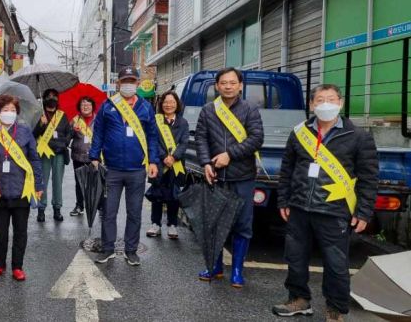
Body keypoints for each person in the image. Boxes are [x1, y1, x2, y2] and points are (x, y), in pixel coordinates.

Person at [272, 84, 378, 322]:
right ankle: (299, 300)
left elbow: (369, 177)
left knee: (336, 264)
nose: (325, 104)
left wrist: (363, 211)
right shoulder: (300, 132)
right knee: (295, 258)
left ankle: (335, 310)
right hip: (299, 207)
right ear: (312, 104)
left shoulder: (358, 136)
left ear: (340, 103)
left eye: (331, 99)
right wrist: (283, 200)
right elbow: (287, 169)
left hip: (335, 210)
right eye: (320, 100)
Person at [194, 67, 264, 287]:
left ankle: (237, 270)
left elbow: (256, 139)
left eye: (232, 82)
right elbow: (201, 139)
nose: (228, 86)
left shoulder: (250, 109)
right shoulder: (208, 110)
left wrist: (229, 155)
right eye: (224, 82)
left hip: (242, 177)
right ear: (217, 85)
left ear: (240, 85)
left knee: (242, 225)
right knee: (214, 223)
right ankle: (214, 267)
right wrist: (206, 162)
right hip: (215, 177)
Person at [89, 66, 159, 266]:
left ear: (137, 83)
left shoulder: (145, 107)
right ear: (118, 84)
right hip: (112, 169)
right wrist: (94, 155)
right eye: (124, 81)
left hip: (137, 169)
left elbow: (153, 137)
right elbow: (99, 133)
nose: (128, 84)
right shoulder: (108, 105)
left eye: (132, 81)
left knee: (135, 212)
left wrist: (153, 161)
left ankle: (131, 250)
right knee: (109, 212)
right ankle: (108, 248)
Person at [0, 95, 44, 281]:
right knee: (1, 232)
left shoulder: (25, 131)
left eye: (12, 110)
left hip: (22, 189)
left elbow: (34, 158)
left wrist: (38, 184)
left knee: (20, 231)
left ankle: (17, 267)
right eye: (5, 110)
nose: (9, 113)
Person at [146, 91, 188, 240]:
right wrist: (164, 157)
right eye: (165, 102)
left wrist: (174, 157)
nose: (169, 105)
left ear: (177, 104)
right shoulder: (156, 121)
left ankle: (172, 225)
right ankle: (155, 224)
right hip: (159, 163)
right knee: (157, 194)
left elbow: (184, 143)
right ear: (161, 104)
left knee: (174, 195)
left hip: (176, 164)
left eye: (172, 102)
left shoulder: (183, 122)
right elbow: (153, 140)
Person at [33, 88, 72, 222]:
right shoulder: (39, 115)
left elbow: (69, 133)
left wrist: (63, 143)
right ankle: (41, 209)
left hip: (59, 153)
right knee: (42, 181)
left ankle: (57, 208)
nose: (52, 98)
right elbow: (32, 134)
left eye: (54, 96)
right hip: (43, 153)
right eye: (48, 96)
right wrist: (40, 125)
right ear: (44, 99)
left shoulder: (62, 115)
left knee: (57, 182)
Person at [68, 96, 97, 217]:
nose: (86, 107)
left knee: (95, 182)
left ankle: (98, 205)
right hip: (78, 156)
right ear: (79, 107)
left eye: (88, 105)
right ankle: (80, 205)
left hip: (94, 156)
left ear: (92, 107)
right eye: (83, 105)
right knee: (79, 182)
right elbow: (67, 137)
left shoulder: (99, 119)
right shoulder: (74, 120)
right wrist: (72, 130)